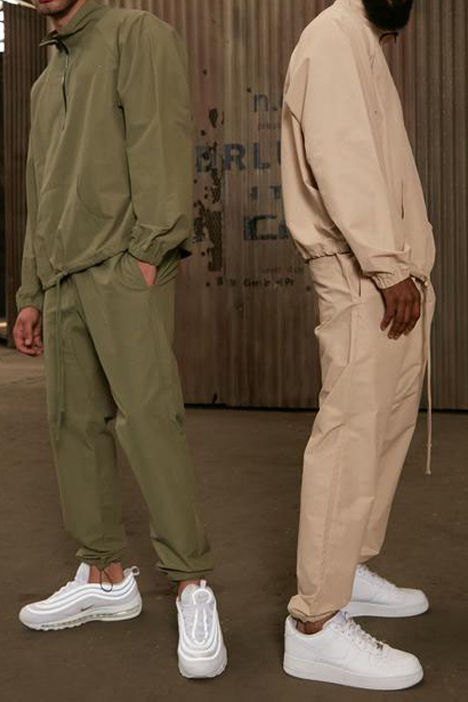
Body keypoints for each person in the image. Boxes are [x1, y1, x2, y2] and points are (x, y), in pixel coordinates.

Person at [13, 0, 227, 680]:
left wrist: (148, 254)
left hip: (121, 266)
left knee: (149, 419)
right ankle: (104, 575)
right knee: (73, 424)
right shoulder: (44, 83)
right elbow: (39, 192)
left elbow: (161, 141)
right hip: (61, 278)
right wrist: (29, 291)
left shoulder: (137, 36)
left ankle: (192, 584)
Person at [281, 0, 436, 690]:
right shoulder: (333, 37)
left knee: (383, 427)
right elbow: (340, 160)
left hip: (388, 271)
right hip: (363, 274)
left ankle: (349, 568)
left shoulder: (363, 40)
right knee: (350, 435)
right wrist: (386, 264)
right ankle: (315, 624)